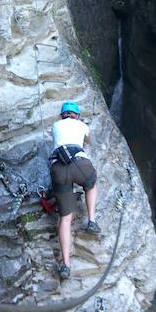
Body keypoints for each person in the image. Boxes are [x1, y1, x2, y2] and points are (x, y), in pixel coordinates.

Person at [50, 101, 100, 280]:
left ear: (62, 115)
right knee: (91, 183)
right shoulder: (81, 125)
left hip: (58, 168)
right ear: (76, 115)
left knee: (65, 218)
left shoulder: (55, 126)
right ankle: (92, 221)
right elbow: (88, 141)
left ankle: (66, 265)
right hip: (79, 164)